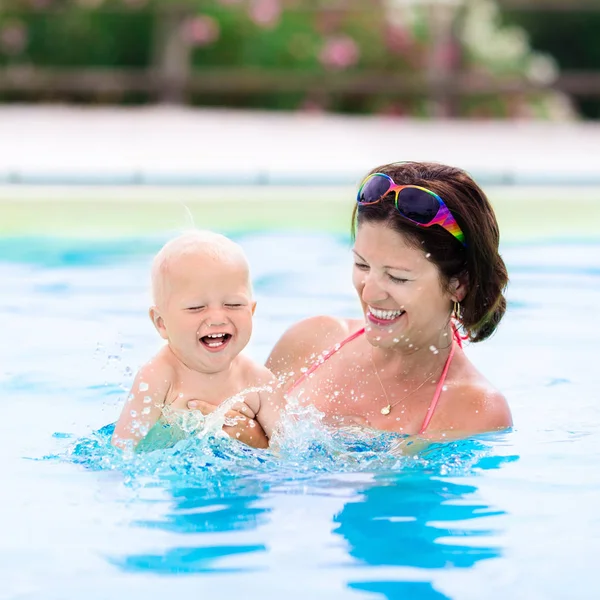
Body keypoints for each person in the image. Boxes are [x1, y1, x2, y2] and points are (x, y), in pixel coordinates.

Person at [258, 161, 512, 440]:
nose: (369, 294)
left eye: (397, 277)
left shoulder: (475, 410)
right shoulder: (309, 341)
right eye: (362, 266)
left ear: (459, 284)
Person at [111, 230, 282, 452]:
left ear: (252, 310)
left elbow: (291, 455)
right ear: (161, 323)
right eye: (196, 308)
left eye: (233, 304)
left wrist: (257, 441)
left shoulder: (259, 381)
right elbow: (122, 452)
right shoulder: (160, 377)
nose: (218, 318)